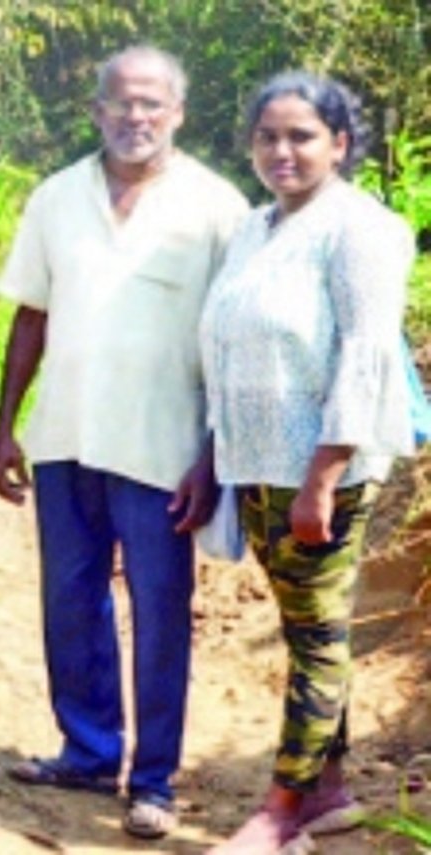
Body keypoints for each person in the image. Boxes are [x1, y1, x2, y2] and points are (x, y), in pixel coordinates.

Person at [0, 45, 248, 840]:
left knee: (162, 611)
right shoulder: (56, 198)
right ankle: (89, 749)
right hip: (66, 434)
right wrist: (4, 425)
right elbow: (30, 315)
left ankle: (155, 777)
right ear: (96, 110)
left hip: (163, 448)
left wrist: (213, 458)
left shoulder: (217, 207)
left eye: (152, 104)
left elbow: (233, 343)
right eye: (120, 103)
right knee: (70, 600)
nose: (135, 117)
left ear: (178, 112)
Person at [201, 72, 413, 854]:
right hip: (257, 462)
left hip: (323, 470)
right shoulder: (256, 227)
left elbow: (364, 358)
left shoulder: (360, 229)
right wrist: (212, 458)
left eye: (301, 136)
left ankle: (281, 809)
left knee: (319, 635)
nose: (282, 151)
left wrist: (323, 476)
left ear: (340, 144)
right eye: (268, 136)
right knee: (304, 631)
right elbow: (227, 345)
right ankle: (330, 789)